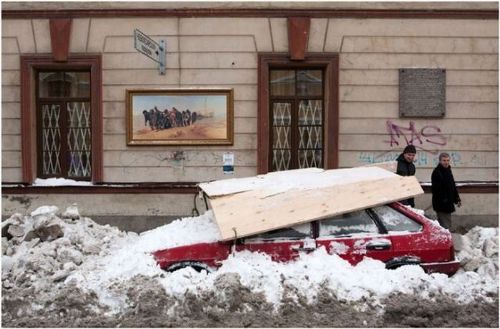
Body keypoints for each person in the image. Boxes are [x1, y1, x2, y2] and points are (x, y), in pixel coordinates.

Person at [431, 153, 461, 230]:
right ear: (440, 161)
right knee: (445, 225)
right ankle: (445, 239)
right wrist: (444, 199)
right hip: (441, 204)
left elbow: (452, 186)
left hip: (448, 202)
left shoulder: (448, 170)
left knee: (445, 223)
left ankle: (444, 238)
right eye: (444, 160)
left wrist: (456, 198)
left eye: (448, 160)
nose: (446, 162)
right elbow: (435, 189)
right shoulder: (437, 172)